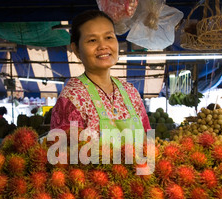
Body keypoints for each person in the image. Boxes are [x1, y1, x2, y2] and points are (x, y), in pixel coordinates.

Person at [50, 10, 151, 145]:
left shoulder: (130, 92)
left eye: (109, 37)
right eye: (92, 40)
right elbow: (63, 158)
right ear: (76, 49)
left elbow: (148, 143)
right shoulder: (71, 99)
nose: (103, 46)